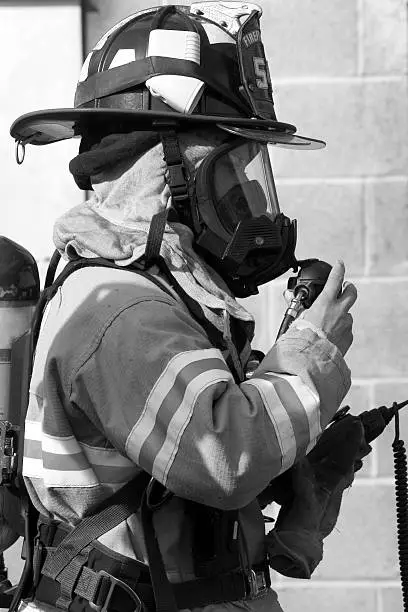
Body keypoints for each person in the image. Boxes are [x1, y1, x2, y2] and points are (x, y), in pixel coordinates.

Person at [9, 3, 357, 611]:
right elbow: (221, 457)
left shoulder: (162, 297)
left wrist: (303, 472)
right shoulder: (120, 311)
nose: (250, 198)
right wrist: (311, 356)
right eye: (233, 171)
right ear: (164, 168)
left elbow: (169, 480)